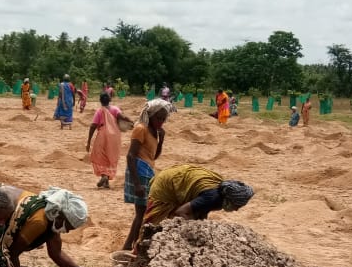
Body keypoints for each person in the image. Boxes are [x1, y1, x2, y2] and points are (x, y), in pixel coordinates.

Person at [122, 100, 169, 250]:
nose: (161, 122)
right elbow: (130, 156)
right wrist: (136, 184)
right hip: (139, 171)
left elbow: (154, 156)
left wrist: (161, 141)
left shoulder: (155, 132)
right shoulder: (140, 129)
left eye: (163, 119)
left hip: (148, 171)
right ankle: (129, 245)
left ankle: (132, 243)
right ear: (150, 116)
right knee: (141, 212)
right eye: (158, 118)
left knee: (143, 212)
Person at [143, 164, 254, 224]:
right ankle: (137, 254)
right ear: (230, 199)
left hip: (177, 179)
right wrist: (193, 229)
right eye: (236, 206)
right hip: (166, 184)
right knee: (151, 224)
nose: (236, 210)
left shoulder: (220, 194)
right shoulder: (213, 198)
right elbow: (181, 211)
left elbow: (201, 210)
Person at [87, 91, 132, 189]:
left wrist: (89, 141)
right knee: (112, 156)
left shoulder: (99, 111)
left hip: (103, 134)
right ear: (110, 100)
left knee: (100, 156)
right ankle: (106, 180)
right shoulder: (115, 109)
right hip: (115, 136)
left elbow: (93, 126)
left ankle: (104, 176)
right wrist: (131, 121)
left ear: (100, 101)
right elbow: (122, 117)